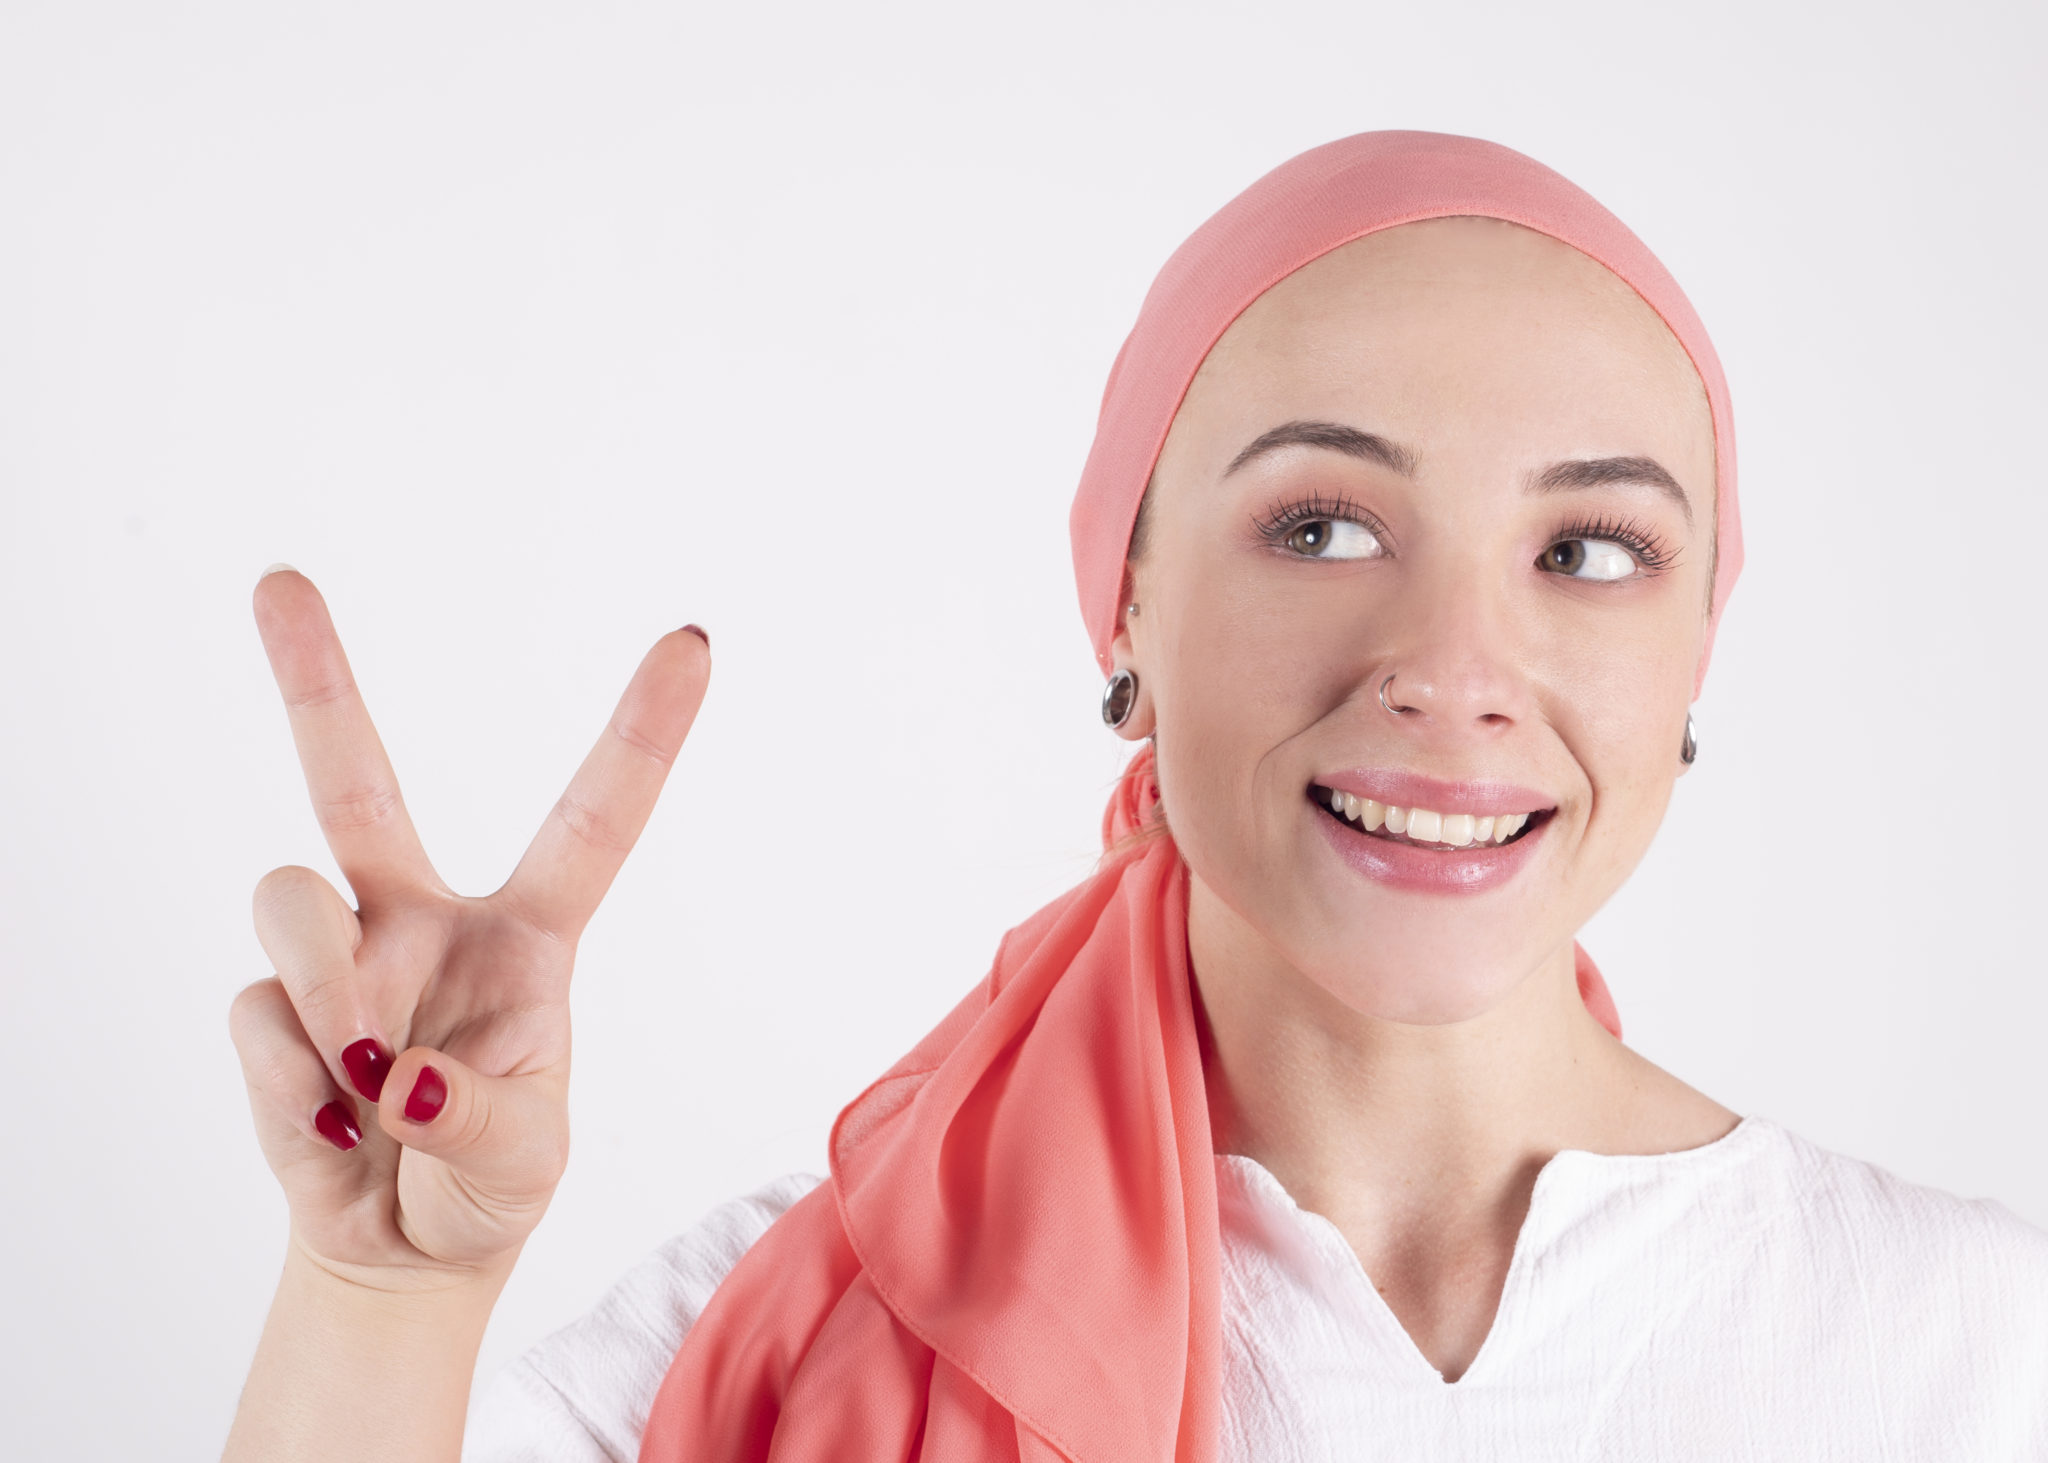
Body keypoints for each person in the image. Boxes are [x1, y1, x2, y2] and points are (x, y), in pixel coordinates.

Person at [221, 132, 2048, 1463]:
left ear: (1698, 646)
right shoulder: (779, 1332)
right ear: (1129, 601)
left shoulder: (1974, 1347)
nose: (1458, 664)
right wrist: (385, 1306)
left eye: (1591, 548)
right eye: (1322, 524)